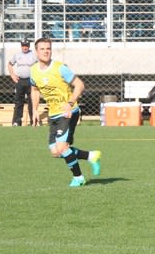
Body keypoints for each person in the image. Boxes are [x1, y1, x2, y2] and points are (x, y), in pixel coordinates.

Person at [29, 37, 101, 187]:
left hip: (69, 112)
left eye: (48, 48)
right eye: (42, 49)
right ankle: (90, 156)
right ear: (36, 52)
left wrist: (69, 103)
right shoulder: (33, 71)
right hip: (53, 114)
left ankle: (78, 177)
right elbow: (34, 89)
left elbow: (80, 85)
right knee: (55, 152)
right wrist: (35, 110)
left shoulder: (60, 68)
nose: (46, 51)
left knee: (62, 147)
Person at [8, 40, 37, 126]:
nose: (25, 47)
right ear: (21, 46)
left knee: (32, 101)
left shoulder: (34, 55)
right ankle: (17, 121)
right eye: (23, 45)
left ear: (29, 46)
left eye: (26, 45)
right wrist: (12, 75)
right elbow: (10, 64)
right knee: (18, 101)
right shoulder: (17, 55)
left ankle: (33, 121)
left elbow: (40, 65)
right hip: (19, 80)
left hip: (31, 80)